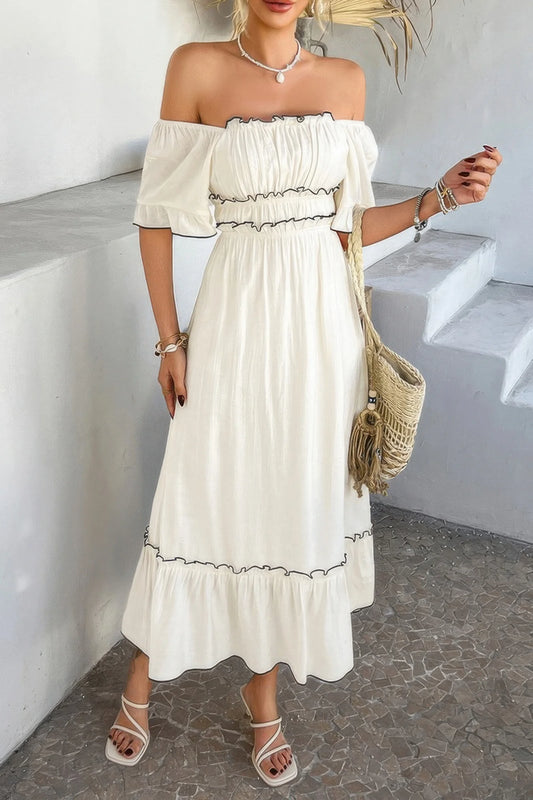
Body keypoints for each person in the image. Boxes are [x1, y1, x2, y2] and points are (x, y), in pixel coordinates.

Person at [105, 0, 502, 786]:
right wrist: (170, 340)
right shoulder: (196, 69)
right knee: (201, 490)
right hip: (234, 317)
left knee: (293, 504)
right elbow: (155, 215)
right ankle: (141, 680)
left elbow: (346, 226)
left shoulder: (345, 82)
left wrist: (439, 197)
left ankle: (264, 700)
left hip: (322, 335)